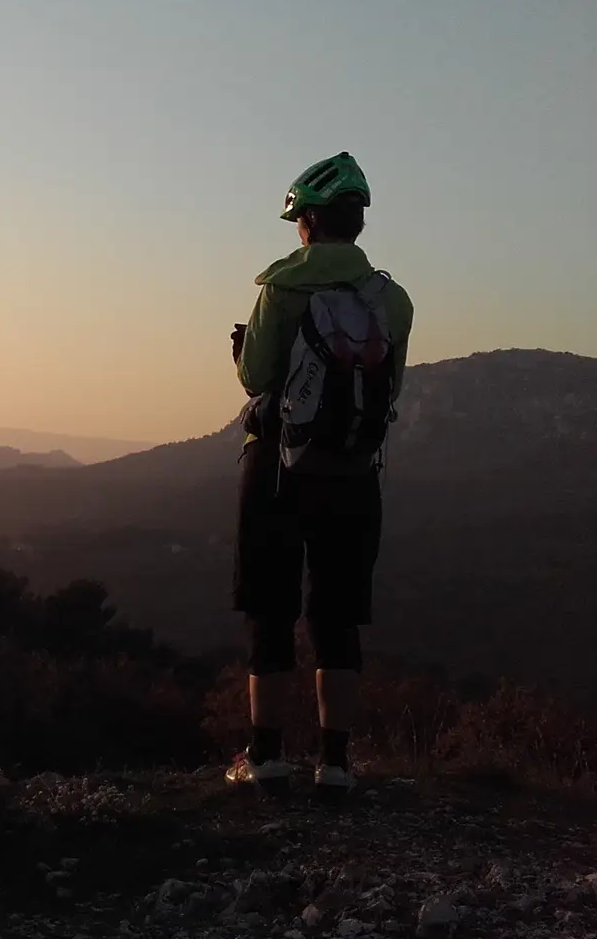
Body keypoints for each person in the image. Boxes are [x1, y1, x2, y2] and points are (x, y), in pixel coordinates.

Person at [225, 151, 414, 796]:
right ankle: (335, 766)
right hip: (356, 471)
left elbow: (256, 376)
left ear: (307, 221)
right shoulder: (394, 299)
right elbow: (387, 385)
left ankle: (266, 759)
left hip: (280, 465)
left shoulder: (282, 288)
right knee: (337, 618)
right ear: (357, 223)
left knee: (271, 611)